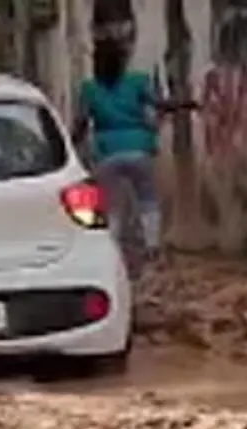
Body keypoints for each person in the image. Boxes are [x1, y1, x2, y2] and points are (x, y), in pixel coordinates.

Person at [74, 38, 186, 268]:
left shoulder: (89, 88)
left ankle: (112, 252)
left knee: (111, 205)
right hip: (139, 147)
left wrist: (70, 146)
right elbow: (160, 104)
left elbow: (81, 123)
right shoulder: (138, 81)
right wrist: (183, 104)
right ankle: (152, 247)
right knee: (148, 199)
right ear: (123, 60)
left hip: (106, 152)